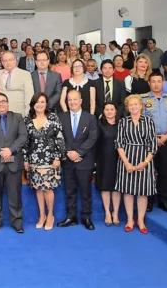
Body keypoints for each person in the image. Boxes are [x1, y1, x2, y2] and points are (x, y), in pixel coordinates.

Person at [0, 92, 28, 233]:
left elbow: (23, 136)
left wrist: (11, 150)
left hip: (13, 162)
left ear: (8, 103)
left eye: (3, 101)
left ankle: (17, 222)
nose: (1, 104)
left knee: (15, 195)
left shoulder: (18, 117)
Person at [115, 94, 158, 233]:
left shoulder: (149, 121)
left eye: (136, 104)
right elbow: (119, 143)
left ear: (141, 106)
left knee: (142, 192)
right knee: (127, 191)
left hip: (144, 158)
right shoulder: (123, 122)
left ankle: (140, 220)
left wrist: (145, 162)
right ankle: (129, 219)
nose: (133, 107)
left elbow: (153, 144)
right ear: (127, 107)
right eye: (130, 105)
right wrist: (126, 162)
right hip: (126, 159)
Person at [57, 90, 98, 230]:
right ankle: (71, 217)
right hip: (67, 161)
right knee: (69, 191)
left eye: (75, 99)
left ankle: (86, 217)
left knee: (86, 191)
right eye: (69, 100)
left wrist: (78, 152)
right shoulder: (61, 117)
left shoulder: (90, 118)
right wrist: (68, 153)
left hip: (84, 160)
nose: (72, 102)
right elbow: (58, 138)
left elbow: (92, 138)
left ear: (81, 101)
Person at [24, 93, 66, 231]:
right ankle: (41, 215)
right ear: (33, 104)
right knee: (39, 189)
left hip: (50, 159)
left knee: (48, 189)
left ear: (46, 104)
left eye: (43, 102)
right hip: (34, 160)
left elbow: (59, 138)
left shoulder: (53, 117)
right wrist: (25, 160)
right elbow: (25, 142)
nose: (40, 104)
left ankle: (50, 215)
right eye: (37, 102)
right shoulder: (28, 119)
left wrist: (57, 157)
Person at [142, 72, 167, 213]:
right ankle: (148, 201)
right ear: (149, 83)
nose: (156, 84)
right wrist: (154, 137)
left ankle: (164, 201)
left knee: (165, 171)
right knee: (149, 172)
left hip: (166, 140)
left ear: (163, 83)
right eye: (153, 81)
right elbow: (141, 120)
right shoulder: (144, 99)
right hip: (149, 140)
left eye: (159, 81)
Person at [96, 102, 121, 226]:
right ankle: (107, 212)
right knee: (105, 187)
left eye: (112, 109)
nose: (110, 111)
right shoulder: (98, 125)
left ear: (116, 111)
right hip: (104, 160)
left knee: (116, 187)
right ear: (103, 111)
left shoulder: (122, 125)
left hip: (119, 160)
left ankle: (115, 213)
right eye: (107, 109)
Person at [0, 51, 35, 117]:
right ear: (2, 62)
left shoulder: (25, 74)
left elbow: (29, 95)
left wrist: (27, 113)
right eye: (5, 61)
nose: (8, 63)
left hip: (19, 112)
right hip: (0, 112)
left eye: (10, 60)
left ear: (15, 60)